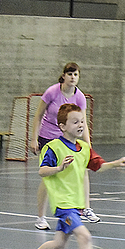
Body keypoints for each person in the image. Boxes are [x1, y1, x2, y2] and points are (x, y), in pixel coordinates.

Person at [15, 104, 125, 249]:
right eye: (75, 122)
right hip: (64, 205)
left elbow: (98, 166)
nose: (80, 125)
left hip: (76, 205)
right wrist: (59, 168)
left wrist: (114, 163)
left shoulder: (84, 148)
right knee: (85, 236)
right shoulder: (54, 147)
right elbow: (42, 170)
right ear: (62, 126)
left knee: (59, 244)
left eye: (82, 121)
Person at [30, 62, 98, 230]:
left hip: (69, 138)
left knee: (82, 170)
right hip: (49, 139)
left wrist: (88, 146)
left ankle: (86, 208)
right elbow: (38, 116)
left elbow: (83, 123)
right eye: (70, 74)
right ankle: (41, 217)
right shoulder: (52, 92)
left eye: (76, 75)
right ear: (64, 76)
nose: (73, 77)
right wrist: (33, 139)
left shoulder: (80, 97)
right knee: (49, 178)